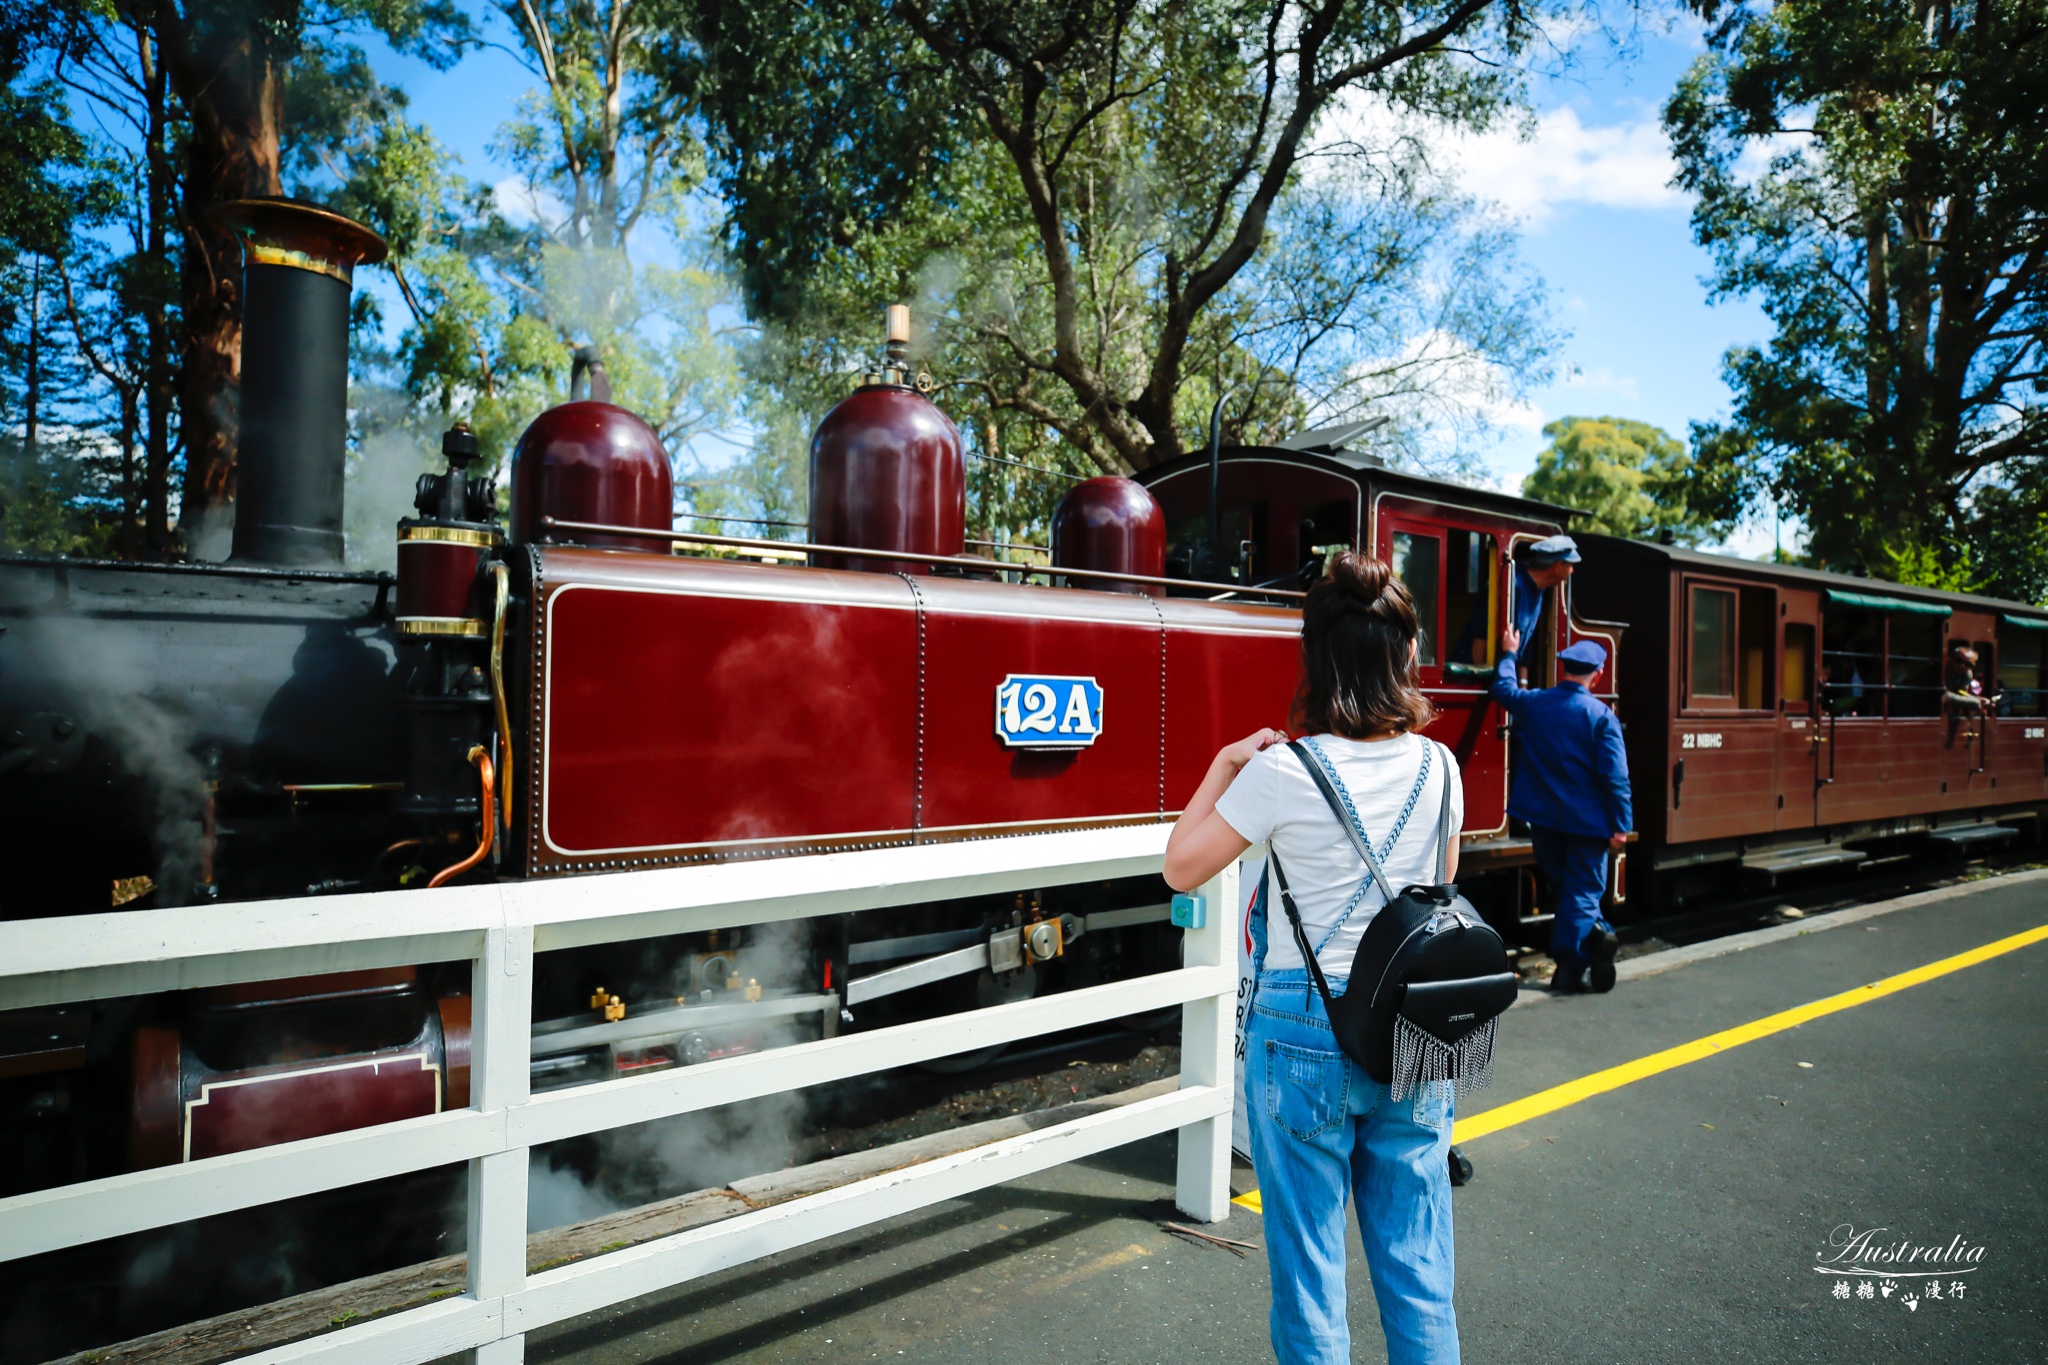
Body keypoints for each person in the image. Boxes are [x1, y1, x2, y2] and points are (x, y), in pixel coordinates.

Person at [1165, 552, 1463, 1365]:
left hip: (1302, 1027)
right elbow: (1436, 898)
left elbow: (1180, 864)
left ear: (1315, 657)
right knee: (1417, 1266)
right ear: (1403, 655)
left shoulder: (1279, 772)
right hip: (1413, 1027)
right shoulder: (1443, 767)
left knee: (1310, 1277)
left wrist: (1223, 764)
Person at [1489, 631, 1631, 993]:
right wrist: (1621, 825)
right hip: (1588, 824)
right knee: (1583, 893)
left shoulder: (1536, 702)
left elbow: (1503, 689)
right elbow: (1615, 778)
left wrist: (1509, 654)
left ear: (1563, 669)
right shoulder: (1601, 716)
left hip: (1544, 822)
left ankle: (1597, 938)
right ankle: (1571, 967)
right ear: (1597, 675)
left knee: (1568, 889)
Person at [1510, 535, 1579, 681]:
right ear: (1558, 566)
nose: (1572, 570)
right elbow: (1480, 637)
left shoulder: (1540, 591)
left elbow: (1525, 646)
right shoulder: (1514, 586)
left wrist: (1522, 684)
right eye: (1570, 565)